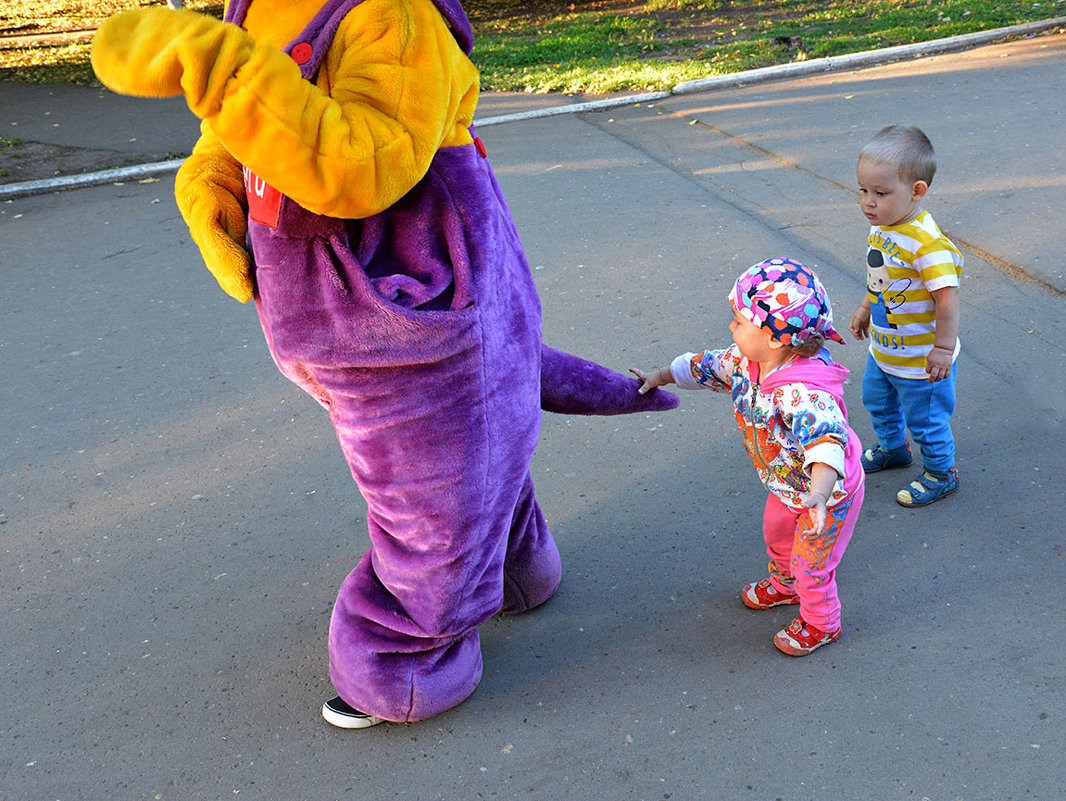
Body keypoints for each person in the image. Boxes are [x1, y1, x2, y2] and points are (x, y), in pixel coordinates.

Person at [91, 0, 677, 730]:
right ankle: (518, 565)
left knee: (431, 495)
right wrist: (210, 177)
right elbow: (242, 128)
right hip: (336, 322)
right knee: (470, 461)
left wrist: (216, 67)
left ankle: (403, 657)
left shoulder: (394, 16)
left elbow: (365, 163)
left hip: (414, 318)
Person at [632, 258, 864, 656]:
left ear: (775, 337)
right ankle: (785, 585)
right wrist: (659, 375)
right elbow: (704, 365)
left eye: (739, 321)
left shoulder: (803, 393)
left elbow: (827, 441)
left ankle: (822, 622)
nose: (731, 327)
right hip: (786, 483)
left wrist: (821, 495)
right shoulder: (747, 362)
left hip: (827, 496)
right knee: (776, 532)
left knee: (813, 566)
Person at [849, 125, 962, 507]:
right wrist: (866, 307)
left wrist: (943, 349)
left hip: (921, 361)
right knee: (877, 401)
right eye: (863, 190)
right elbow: (879, 278)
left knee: (927, 421)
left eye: (880, 193)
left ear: (917, 191)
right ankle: (894, 449)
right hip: (885, 349)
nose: (868, 202)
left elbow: (947, 299)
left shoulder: (927, 245)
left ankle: (941, 473)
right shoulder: (882, 228)